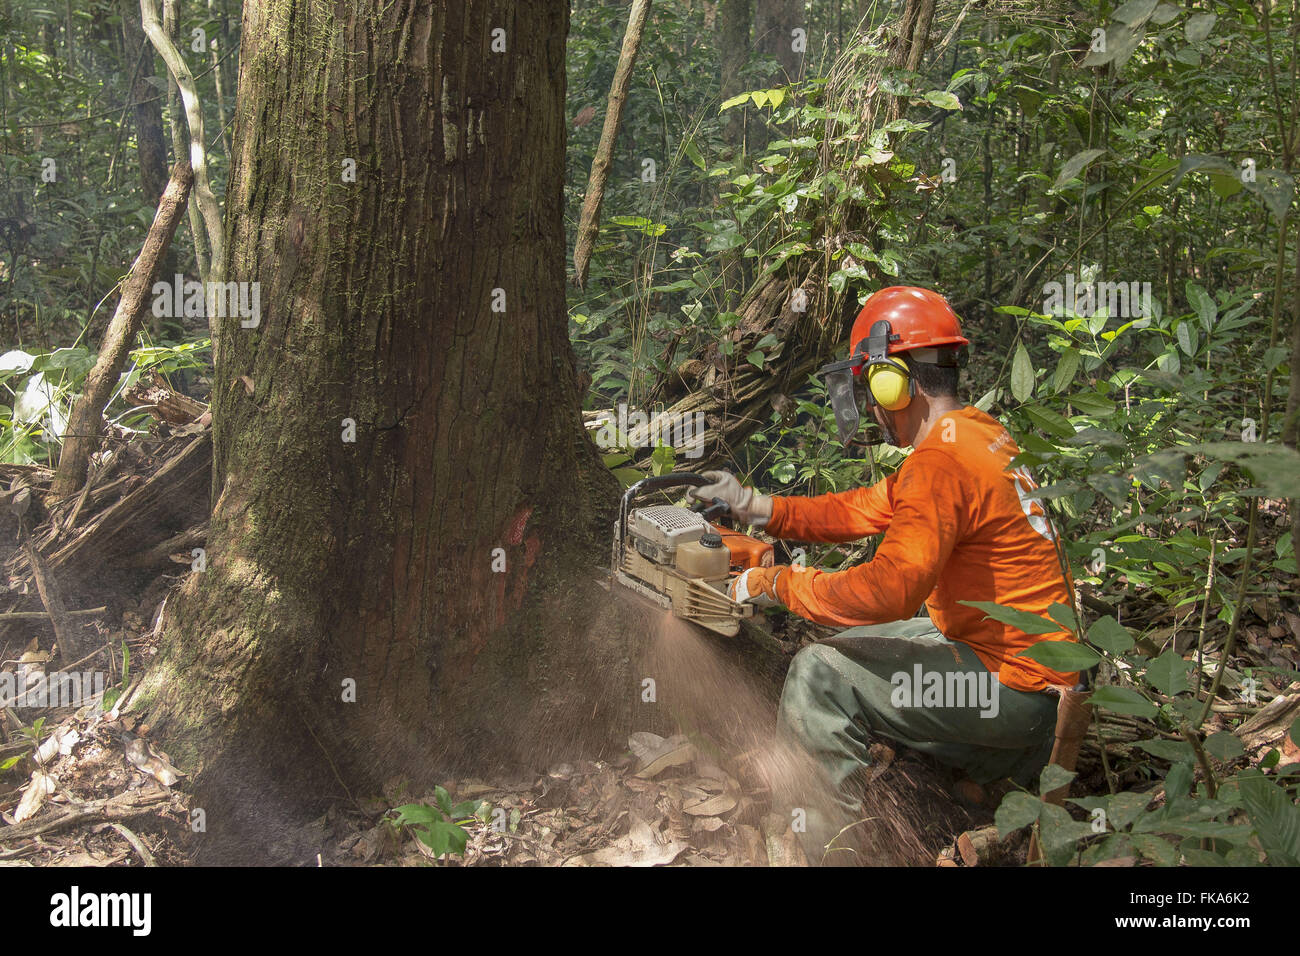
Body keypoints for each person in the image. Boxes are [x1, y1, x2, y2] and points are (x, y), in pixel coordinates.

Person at [688, 286, 1080, 864]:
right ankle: (960, 778)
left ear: (890, 381)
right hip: (1029, 678)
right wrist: (756, 506)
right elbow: (862, 508)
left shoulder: (941, 461)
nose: (869, 406)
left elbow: (890, 591)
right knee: (854, 648)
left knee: (820, 675)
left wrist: (776, 583)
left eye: (867, 386)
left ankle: (831, 854)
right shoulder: (973, 435)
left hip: (1016, 697)